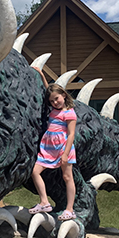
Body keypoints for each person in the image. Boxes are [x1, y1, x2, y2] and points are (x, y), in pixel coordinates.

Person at [29, 82, 77, 221]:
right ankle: (44, 202)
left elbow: (71, 134)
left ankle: (70, 209)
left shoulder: (69, 113)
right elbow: (48, 88)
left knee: (67, 177)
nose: (55, 102)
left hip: (62, 148)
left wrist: (65, 154)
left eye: (57, 99)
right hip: (48, 148)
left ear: (64, 95)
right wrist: (42, 75)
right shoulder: (54, 110)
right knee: (35, 171)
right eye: (51, 101)